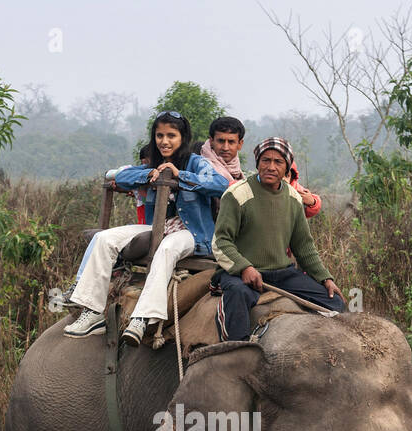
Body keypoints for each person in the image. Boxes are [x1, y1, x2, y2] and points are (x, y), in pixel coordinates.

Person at [64, 112, 229, 345]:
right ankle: (92, 312)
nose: (164, 141)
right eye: (160, 135)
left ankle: (142, 317)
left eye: (171, 135)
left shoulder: (195, 162)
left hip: (190, 233)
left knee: (166, 247)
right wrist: (147, 174)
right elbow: (120, 177)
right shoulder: (152, 162)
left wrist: (179, 175)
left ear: (182, 137)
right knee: (104, 238)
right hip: (156, 227)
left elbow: (220, 183)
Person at [211, 137, 344, 341]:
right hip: (241, 274)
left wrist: (325, 278)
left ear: (287, 168)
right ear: (257, 163)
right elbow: (221, 241)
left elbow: (304, 246)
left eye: (278, 162)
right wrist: (244, 267)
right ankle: (235, 350)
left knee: (335, 302)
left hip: (282, 273)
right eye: (266, 160)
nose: (271, 167)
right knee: (237, 294)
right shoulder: (237, 194)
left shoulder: (293, 197)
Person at [200, 116, 246, 186]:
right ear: (211, 141)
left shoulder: (238, 174)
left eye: (231, 142)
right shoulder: (199, 166)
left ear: (240, 144)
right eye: (221, 141)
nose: (225, 148)